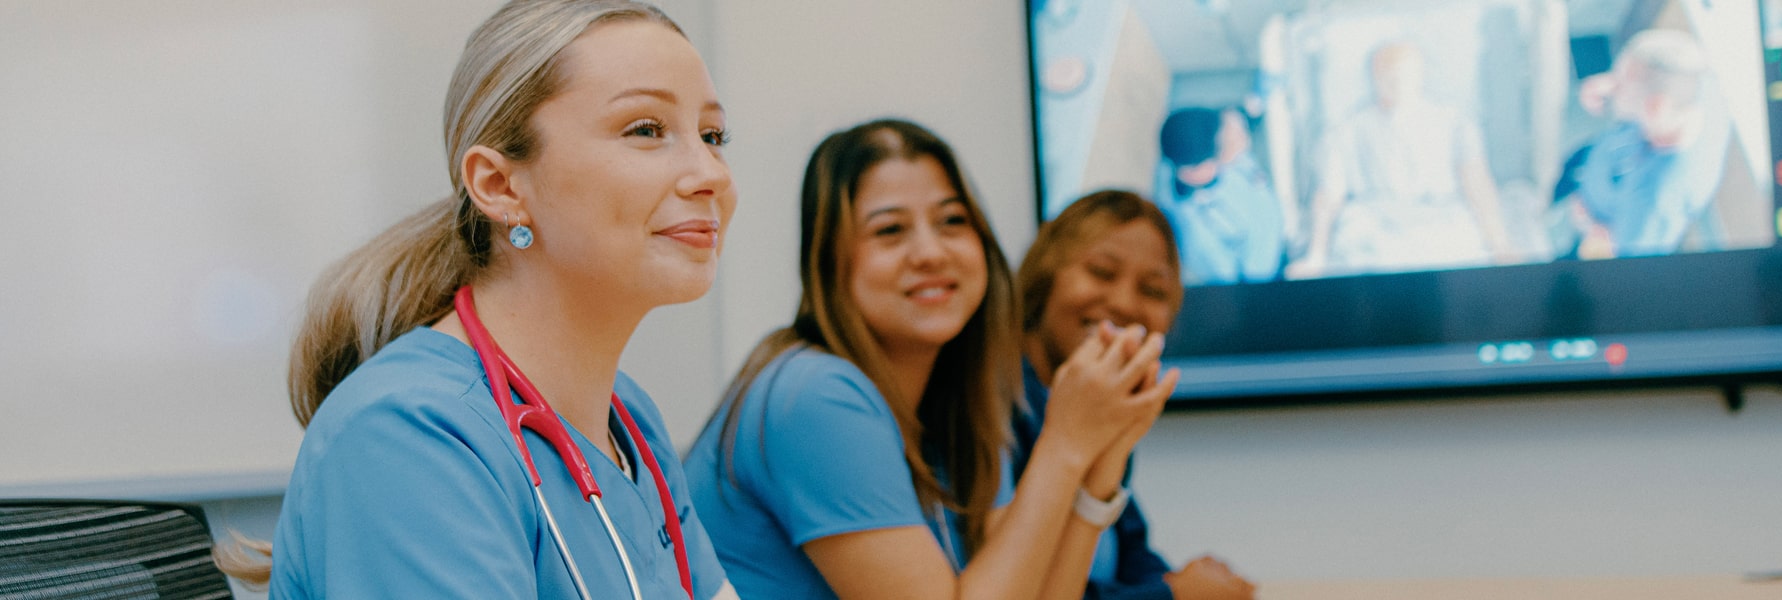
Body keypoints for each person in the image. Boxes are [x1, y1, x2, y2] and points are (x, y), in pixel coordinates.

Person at [233, 2, 739, 598]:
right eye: (646, 130)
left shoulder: (629, 422)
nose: (711, 172)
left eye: (713, 135)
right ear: (500, 187)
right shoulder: (406, 436)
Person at [684, 119, 1177, 599]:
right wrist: (1063, 443)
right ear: (830, 261)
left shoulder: (959, 401)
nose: (931, 252)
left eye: (952, 222)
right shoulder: (816, 394)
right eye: (890, 230)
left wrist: (1104, 458)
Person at [1014, 190, 1256, 600]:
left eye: (1153, 290)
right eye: (1101, 272)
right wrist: (1175, 596)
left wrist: (1182, 586)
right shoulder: (991, 415)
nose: (1124, 303)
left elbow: (1128, 557)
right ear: (1045, 275)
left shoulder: (1102, 415)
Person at [1287, 41, 1516, 278]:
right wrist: (1316, 257)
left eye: (1405, 74)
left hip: (1444, 228)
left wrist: (1501, 245)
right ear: (1374, 78)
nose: (1398, 83)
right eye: (1388, 76)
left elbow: (1477, 183)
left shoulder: (1455, 123)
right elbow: (1329, 197)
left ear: (1420, 75)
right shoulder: (1346, 132)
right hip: (1376, 234)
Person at [1553, 28, 1729, 260]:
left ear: (1654, 108)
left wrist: (1590, 227)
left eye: (1619, 86)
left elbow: (1620, 258)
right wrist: (1616, 84)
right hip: (1597, 162)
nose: (1609, 88)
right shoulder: (1694, 81)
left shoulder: (1654, 202)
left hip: (1595, 217)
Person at [1155, 107, 1285, 286]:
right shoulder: (1195, 235)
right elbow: (1235, 280)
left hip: (1283, 232)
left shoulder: (1223, 159)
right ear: (1198, 169)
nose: (1240, 142)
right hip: (1274, 276)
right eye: (1228, 146)